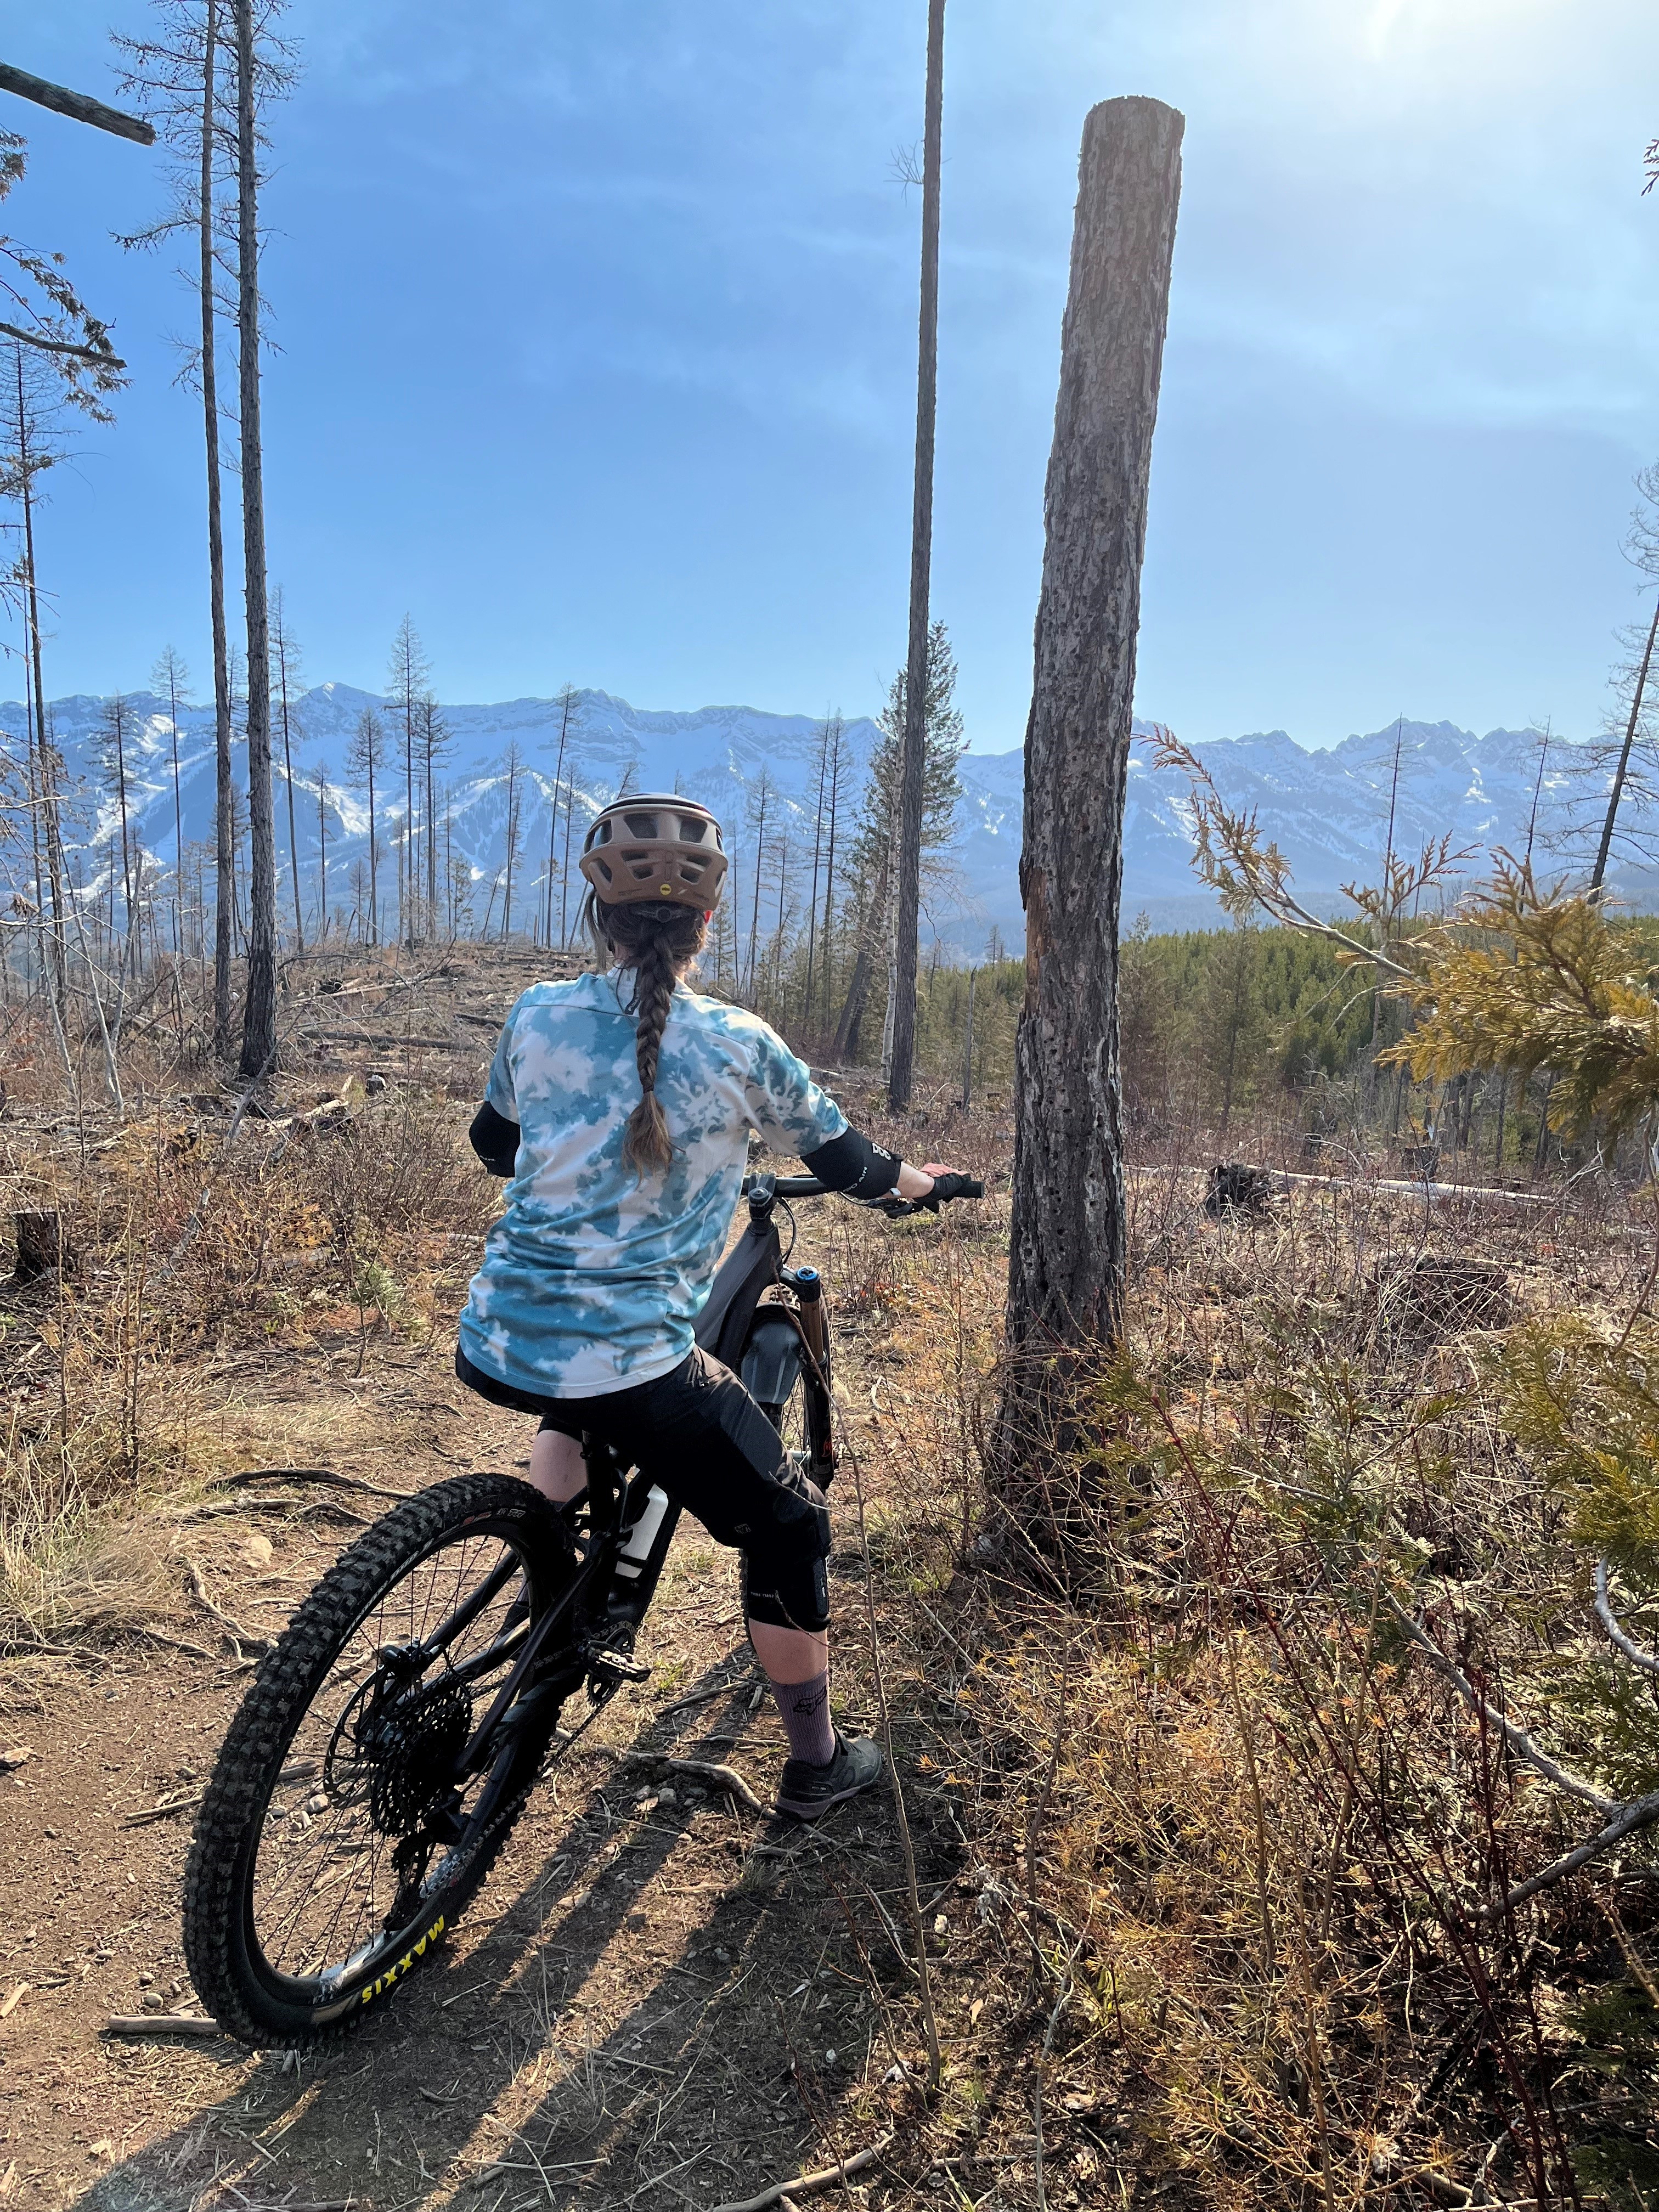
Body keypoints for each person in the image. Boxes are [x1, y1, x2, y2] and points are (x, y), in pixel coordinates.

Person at [454, 792, 971, 1819]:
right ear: (705, 925)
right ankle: (819, 1766)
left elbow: (493, 1147)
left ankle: (549, 1589)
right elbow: (853, 1165)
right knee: (788, 1526)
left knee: (584, 1388)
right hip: (632, 1358)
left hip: (498, 1333)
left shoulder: (538, 1014)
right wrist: (924, 1187)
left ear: (599, 920)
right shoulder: (740, 1044)